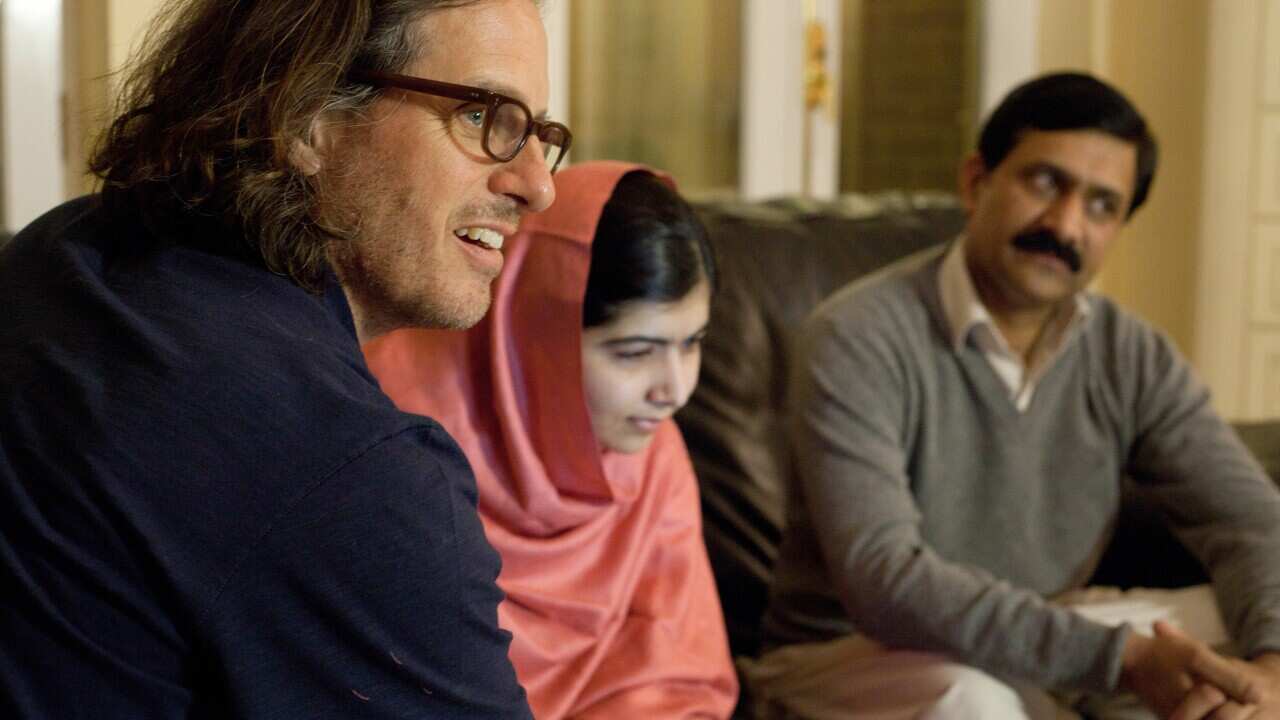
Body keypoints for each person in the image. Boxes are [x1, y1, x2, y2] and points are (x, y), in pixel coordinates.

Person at [0, 0, 570, 716]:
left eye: (539, 134)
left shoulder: (64, 246)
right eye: (484, 117)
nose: (538, 185)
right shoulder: (350, 471)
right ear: (306, 116)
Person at [749, 72, 1280, 719]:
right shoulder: (858, 334)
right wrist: (1126, 659)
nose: (1065, 224)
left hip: (1042, 630)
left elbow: (1250, 519)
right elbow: (883, 581)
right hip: (853, 654)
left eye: (1101, 206)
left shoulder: (1131, 354)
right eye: (1045, 183)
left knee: (1239, 632)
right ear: (977, 181)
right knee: (971, 700)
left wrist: (1269, 670)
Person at [363, 161, 739, 718]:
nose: (676, 390)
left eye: (692, 343)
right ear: (532, 339)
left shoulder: (652, 455)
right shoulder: (390, 441)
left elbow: (680, 683)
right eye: (634, 352)